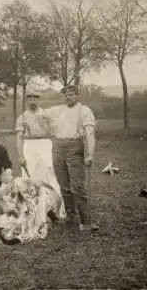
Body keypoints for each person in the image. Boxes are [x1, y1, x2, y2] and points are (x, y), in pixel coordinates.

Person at [41, 85, 98, 232]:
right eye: (66, 95)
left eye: (71, 94)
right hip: (57, 148)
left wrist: (89, 154)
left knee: (77, 187)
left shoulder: (84, 111)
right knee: (64, 186)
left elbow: (90, 134)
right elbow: (39, 115)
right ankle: (71, 218)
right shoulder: (58, 110)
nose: (68, 97)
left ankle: (86, 221)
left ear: (77, 96)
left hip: (75, 149)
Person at [15, 89, 66, 219]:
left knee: (50, 173)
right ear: (27, 101)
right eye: (30, 99)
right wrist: (21, 156)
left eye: (35, 99)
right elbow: (19, 138)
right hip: (30, 146)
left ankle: (57, 208)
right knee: (30, 176)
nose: (32, 101)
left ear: (39, 100)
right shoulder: (22, 117)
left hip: (44, 144)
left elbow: (54, 131)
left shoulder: (46, 114)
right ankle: (34, 210)